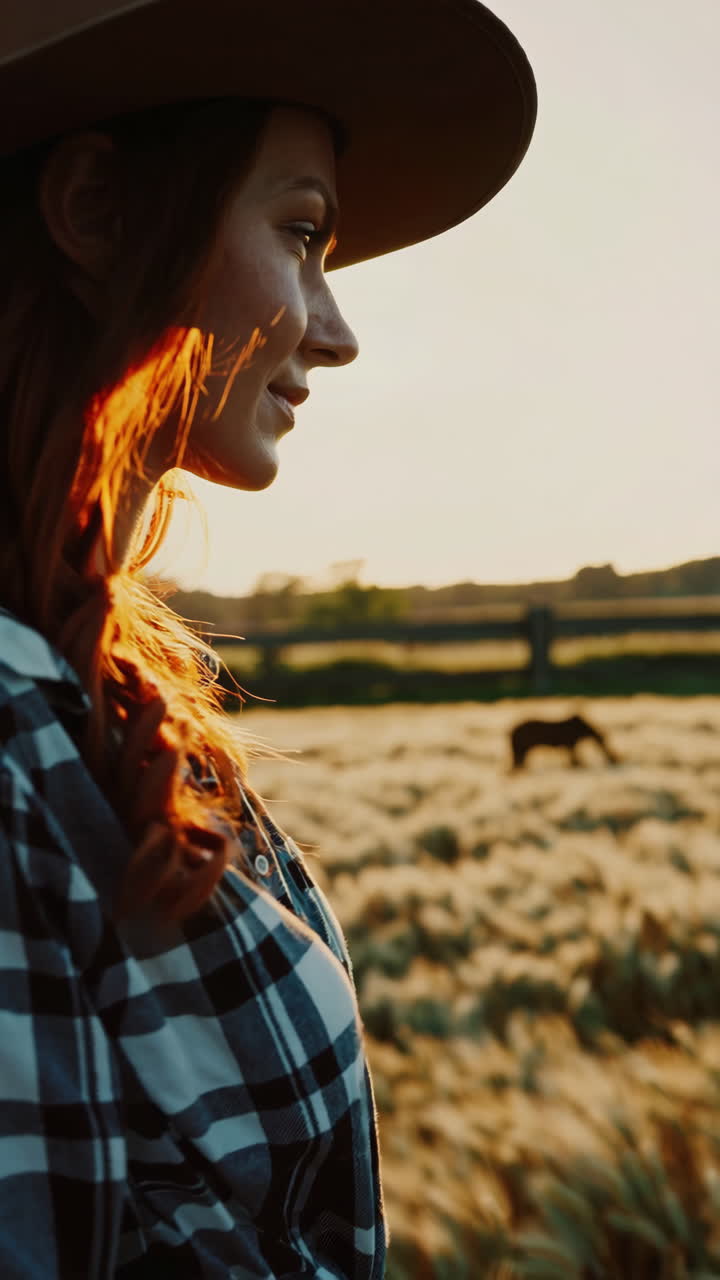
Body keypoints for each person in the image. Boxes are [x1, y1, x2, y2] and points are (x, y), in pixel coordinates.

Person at [0, 1, 537, 1275]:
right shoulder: (16, 742)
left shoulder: (102, 694)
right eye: (301, 233)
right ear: (99, 213)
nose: (335, 329)